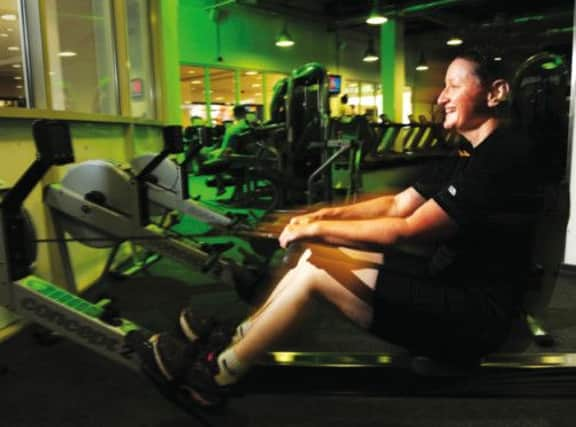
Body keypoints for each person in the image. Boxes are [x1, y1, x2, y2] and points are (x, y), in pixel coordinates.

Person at [131, 50, 548, 408]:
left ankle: (216, 376)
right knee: (317, 254)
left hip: (473, 320)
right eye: (443, 87)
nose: (440, 97)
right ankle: (238, 339)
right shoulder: (467, 153)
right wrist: (318, 219)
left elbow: (408, 228)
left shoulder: (503, 156)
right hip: (449, 287)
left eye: (453, 86)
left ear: (494, 93)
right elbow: (395, 203)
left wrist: (318, 228)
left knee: (318, 268)